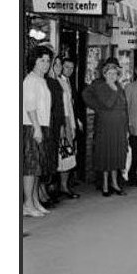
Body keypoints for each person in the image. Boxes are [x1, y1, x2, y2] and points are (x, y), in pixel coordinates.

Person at [82, 61, 129, 197]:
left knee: (115, 155)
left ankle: (115, 183)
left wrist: (126, 128)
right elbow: (108, 104)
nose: (112, 75)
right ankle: (105, 185)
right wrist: (97, 106)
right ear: (105, 74)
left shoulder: (120, 87)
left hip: (119, 127)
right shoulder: (102, 86)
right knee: (105, 155)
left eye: (115, 73)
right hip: (106, 126)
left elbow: (124, 108)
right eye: (109, 73)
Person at [23, 46, 53, 217]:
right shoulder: (30, 80)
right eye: (42, 60)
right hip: (32, 126)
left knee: (38, 167)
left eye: (48, 60)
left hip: (42, 125)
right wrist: (36, 128)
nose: (46, 64)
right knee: (30, 167)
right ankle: (27, 204)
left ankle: (35, 201)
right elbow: (30, 106)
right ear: (34, 61)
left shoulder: (41, 80)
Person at [43, 55, 66, 205]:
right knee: (47, 158)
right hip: (49, 124)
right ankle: (43, 192)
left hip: (57, 123)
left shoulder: (57, 82)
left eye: (59, 64)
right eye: (55, 64)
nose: (58, 66)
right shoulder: (47, 82)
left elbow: (62, 106)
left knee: (52, 158)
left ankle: (47, 191)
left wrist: (63, 125)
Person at [58, 57, 80, 199]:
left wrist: (75, 122)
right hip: (63, 122)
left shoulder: (68, 81)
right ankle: (63, 186)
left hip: (70, 121)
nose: (69, 70)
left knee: (69, 153)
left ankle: (65, 185)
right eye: (66, 67)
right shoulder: (58, 81)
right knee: (65, 153)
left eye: (71, 68)